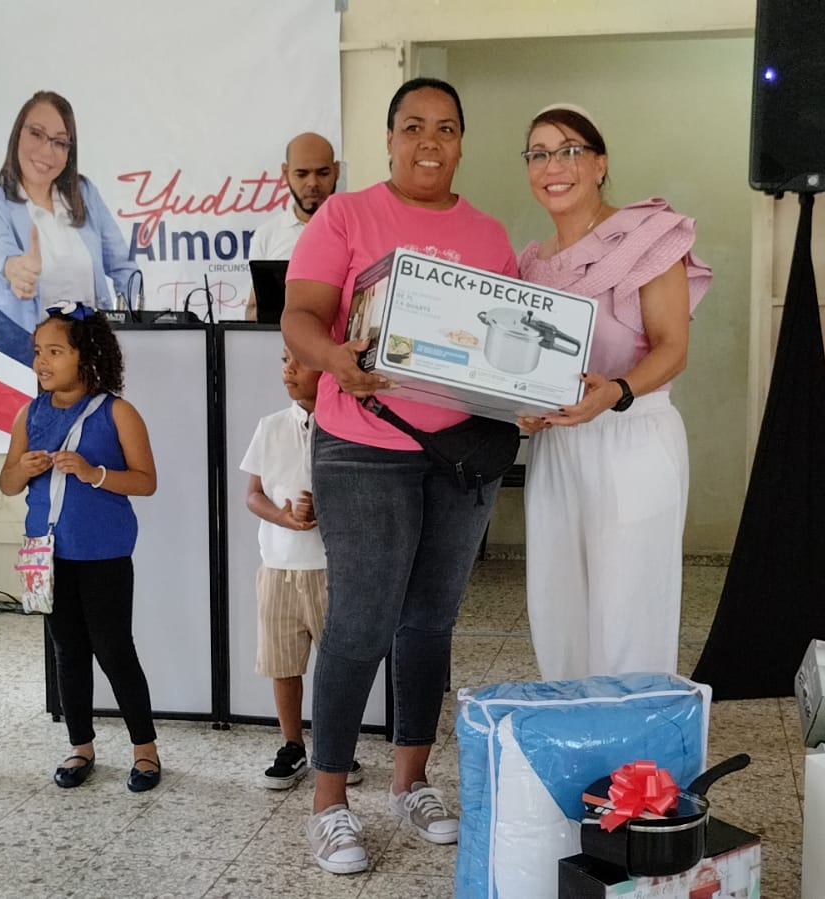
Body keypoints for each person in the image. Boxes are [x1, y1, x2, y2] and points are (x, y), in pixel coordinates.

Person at [282, 77, 519, 876]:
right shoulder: (345, 216)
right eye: (412, 126)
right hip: (363, 443)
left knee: (429, 620)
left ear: (461, 142)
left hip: (460, 452)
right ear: (388, 139)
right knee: (360, 620)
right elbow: (300, 316)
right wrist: (333, 358)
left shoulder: (489, 235)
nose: (428, 141)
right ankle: (329, 802)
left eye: (445, 127)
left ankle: (411, 782)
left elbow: (504, 345)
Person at [515, 104, 712, 683]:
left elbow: (673, 348)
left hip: (632, 435)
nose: (554, 166)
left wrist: (617, 391)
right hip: (558, 447)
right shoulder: (531, 263)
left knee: (629, 608)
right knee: (559, 604)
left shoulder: (648, 237)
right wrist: (523, 409)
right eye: (539, 154)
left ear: (600, 164)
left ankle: (629, 736)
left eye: (570, 150)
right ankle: (574, 723)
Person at [0, 302, 162, 792]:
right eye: (37, 352)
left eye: (54, 352)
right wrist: (23, 469)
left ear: (86, 356)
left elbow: (146, 481)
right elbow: (7, 483)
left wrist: (95, 474)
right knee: (66, 651)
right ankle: (80, 746)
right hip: (44, 553)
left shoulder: (118, 412)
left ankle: (145, 750)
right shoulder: (29, 413)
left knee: (114, 650)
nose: (41, 362)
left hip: (103, 552)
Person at [238, 346, 363, 790]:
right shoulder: (270, 426)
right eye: (284, 359)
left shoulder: (351, 427)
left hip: (333, 570)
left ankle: (336, 746)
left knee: (337, 665)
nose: (289, 369)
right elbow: (253, 495)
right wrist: (284, 517)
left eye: (300, 360)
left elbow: (365, 497)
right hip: (277, 566)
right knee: (283, 664)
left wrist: (326, 509)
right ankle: (292, 745)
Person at [0, 91, 140, 333]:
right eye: (36, 134)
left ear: (69, 152)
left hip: (92, 346)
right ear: (18, 134)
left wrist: (131, 326)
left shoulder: (85, 193)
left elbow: (125, 268)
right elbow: (0, 251)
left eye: (59, 142)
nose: (46, 151)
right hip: (29, 350)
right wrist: (16, 269)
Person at [244, 133, 340, 320]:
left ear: (337, 171)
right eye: (302, 174)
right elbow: (252, 312)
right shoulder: (267, 235)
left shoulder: (357, 229)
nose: (312, 183)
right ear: (285, 173)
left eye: (323, 173)